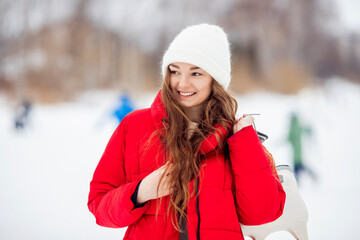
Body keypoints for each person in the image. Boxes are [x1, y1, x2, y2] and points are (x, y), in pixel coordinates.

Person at [88, 24, 285, 240]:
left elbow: (263, 213)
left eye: (196, 73)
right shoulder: (134, 126)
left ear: (215, 79)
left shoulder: (236, 137)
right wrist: (141, 191)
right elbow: (98, 204)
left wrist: (246, 145)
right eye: (175, 71)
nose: (182, 83)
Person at [287, 112, 316, 183]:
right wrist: (309, 129)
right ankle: (312, 175)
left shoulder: (293, 128)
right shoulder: (298, 126)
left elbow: (288, 138)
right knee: (300, 167)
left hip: (296, 154)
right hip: (299, 152)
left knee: (298, 168)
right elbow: (306, 130)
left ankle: (298, 182)